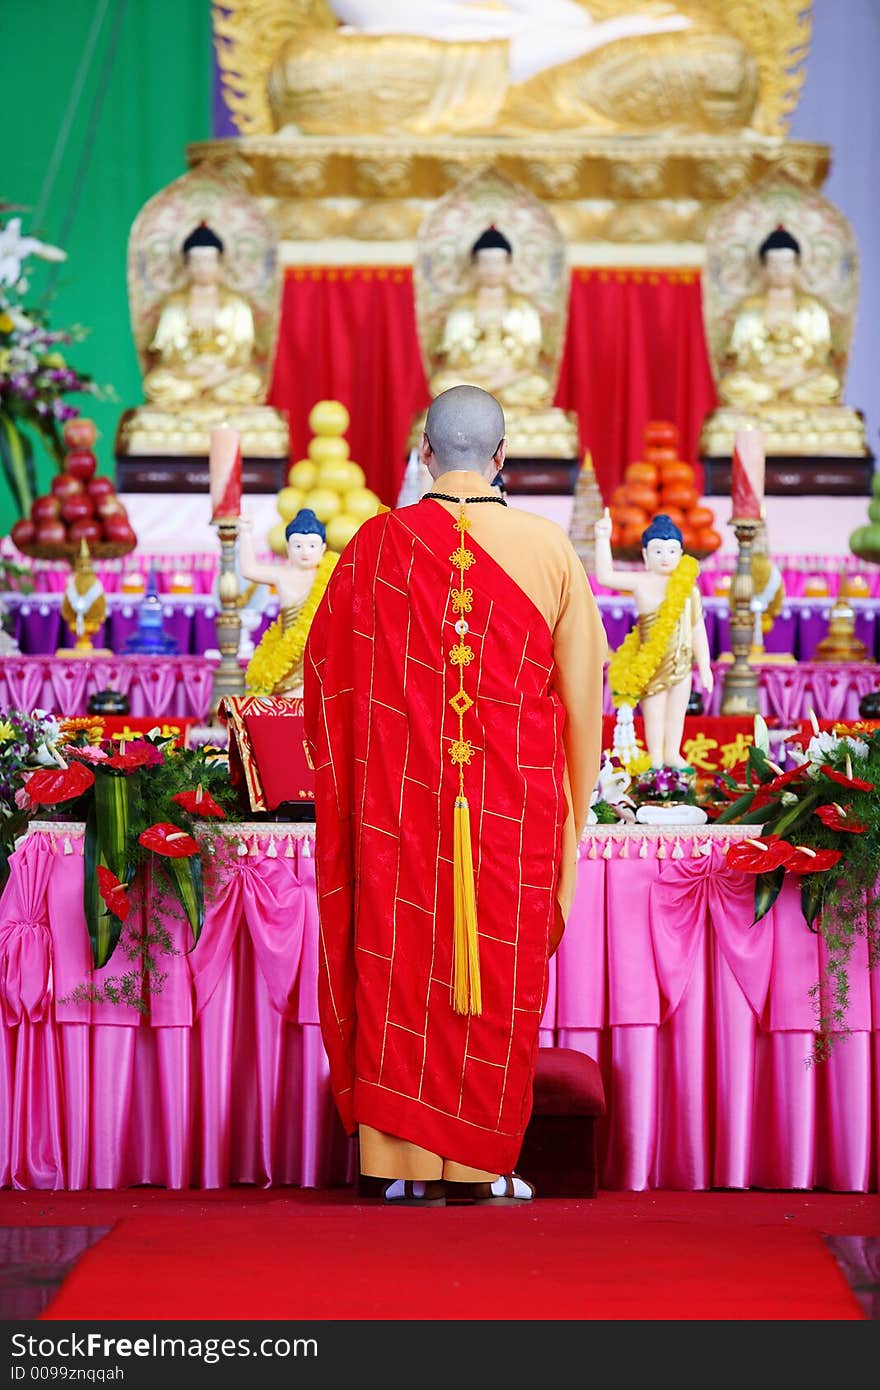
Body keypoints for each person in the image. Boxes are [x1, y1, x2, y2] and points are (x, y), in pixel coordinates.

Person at [303, 384, 606, 1204]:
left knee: (399, 962)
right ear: (502, 456)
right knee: (493, 976)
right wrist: (570, 810)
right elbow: (585, 704)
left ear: (425, 454)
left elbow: (326, 685)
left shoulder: (373, 547)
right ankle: (474, 1166)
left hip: (397, 813)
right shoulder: (550, 549)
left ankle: (395, 1167)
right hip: (512, 812)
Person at [594, 508, 713, 769]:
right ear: (646, 555)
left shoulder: (689, 590)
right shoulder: (641, 582)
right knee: (655, 714)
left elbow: (697, 627)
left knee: (677, 713)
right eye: (658, 551)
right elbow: (605, 577)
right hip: (652, 662)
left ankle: (672, 753)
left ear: (681, 554)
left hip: (681, 662)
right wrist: (603, 539)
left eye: (672, 550)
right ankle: (656, 761)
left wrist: (704, 665)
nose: (665, 557)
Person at [717, 226, 842, 412]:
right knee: (732, 386)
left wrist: (796, 374)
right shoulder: (750, 308)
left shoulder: (812, 308)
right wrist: (764, 373)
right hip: (762, 379)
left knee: (828, 383)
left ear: (798, 265)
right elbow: (740, 358)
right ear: (763, 267)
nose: (780, 270)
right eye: (774, 263)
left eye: (786, 263)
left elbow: (821, 358)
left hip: (801, 378)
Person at [142, 223, 264, 410]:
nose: (202, 268)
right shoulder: (174, 304)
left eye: (208, 261)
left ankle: (200, 392)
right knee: (156, 383)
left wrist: (218, 374)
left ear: (221, 263)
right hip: (185, 374)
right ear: (186, 264)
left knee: (251, 382)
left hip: (224, 376)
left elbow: (242, 356)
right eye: (196, 261)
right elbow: (166, 355)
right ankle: (198, 391)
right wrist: (191, 373)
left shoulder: (236, 304)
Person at [429, 225, 551, 409]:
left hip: (511, 377)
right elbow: (452, 357)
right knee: (442, 383)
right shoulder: (462, 307)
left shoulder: (523, 307)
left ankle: (483, 402)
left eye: (497, 262)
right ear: (474, 266)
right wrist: (478, 371)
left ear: (509, 264)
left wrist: (506, 374)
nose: (491, 269)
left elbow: (531, 358)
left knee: (538, 384)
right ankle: (487, 400)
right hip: (473, 376)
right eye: (485, 263)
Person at [240, 508, 338, 696]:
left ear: (323, 549)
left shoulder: (332, 575)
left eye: (312, 546)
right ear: (287, 548)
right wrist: (245, 532)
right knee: (286, 698)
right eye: (298, 546)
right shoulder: (282, 575)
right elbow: (248, 569)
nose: (305, 552)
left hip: (319, 652)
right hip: (287, 656)